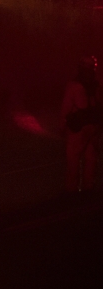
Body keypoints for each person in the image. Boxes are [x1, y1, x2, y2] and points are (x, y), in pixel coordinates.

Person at [61, 55, 101, 192]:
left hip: (78, 128)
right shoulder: (97, 86)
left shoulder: (73, 86)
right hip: (94, 127)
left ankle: (72, 189)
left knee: (73, 159)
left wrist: (62, 126)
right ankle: (88, 186)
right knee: (91, 158)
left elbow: (65, 108)